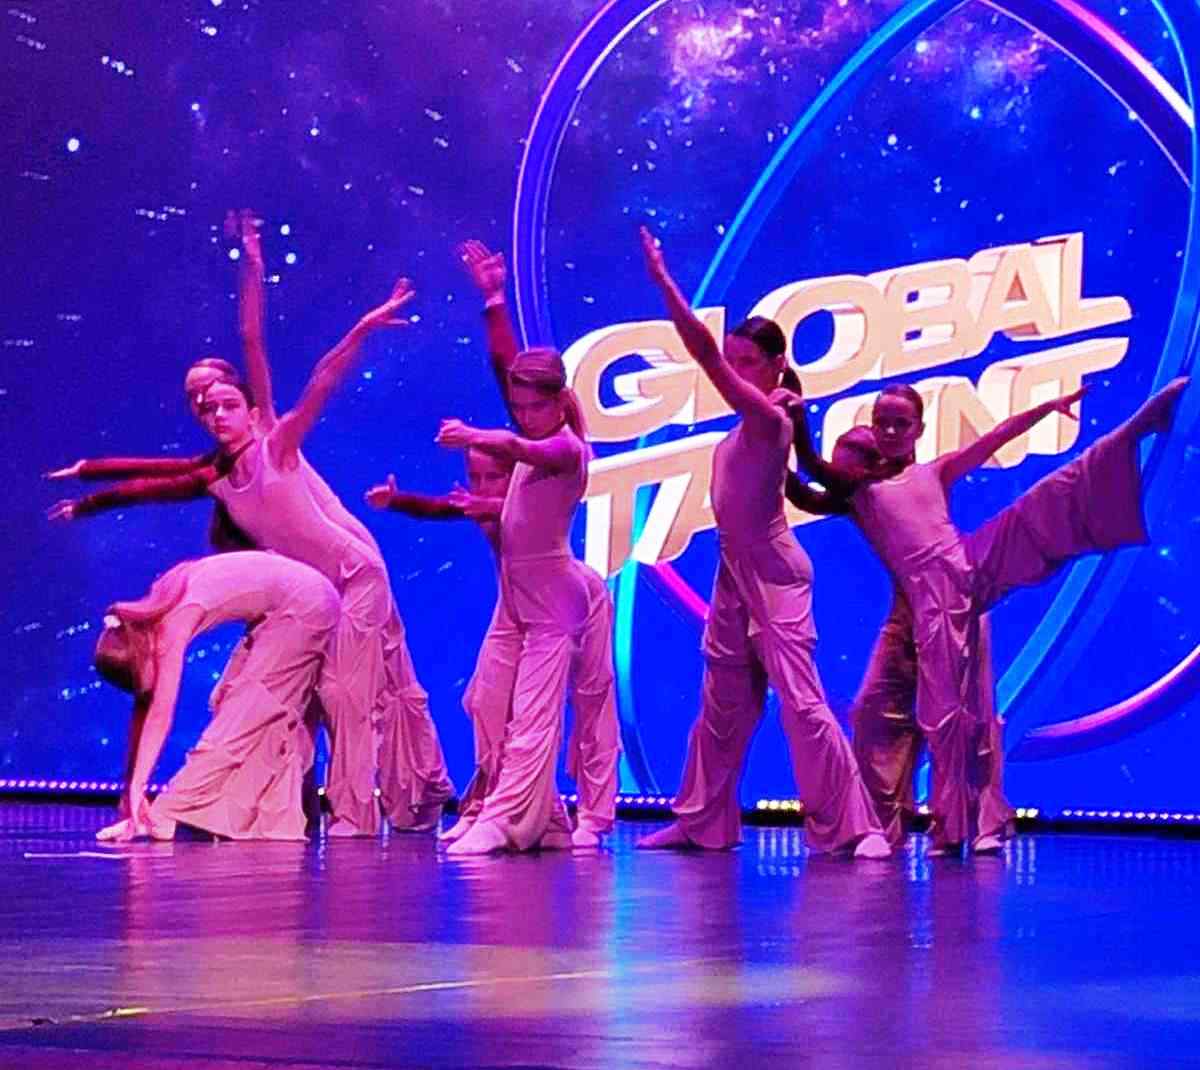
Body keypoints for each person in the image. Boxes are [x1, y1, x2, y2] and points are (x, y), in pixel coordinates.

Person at [52, 277, 455, 836]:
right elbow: (151, 481)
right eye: (206, 408)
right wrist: (88, 490)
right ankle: (292, 807)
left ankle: (354, 814)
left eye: (226, 404)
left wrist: (357, 325)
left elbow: (286, 361)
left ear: (250, 409)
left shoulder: (277, 448)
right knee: (301, 695)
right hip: (310, 593)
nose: (216, 414)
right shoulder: (216, 479)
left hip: (356, 577)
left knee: (346, 692)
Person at [790, 375, 1189, 853]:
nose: (890, 432)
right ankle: (926, 827)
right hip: (931, 601)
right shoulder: (860, 493)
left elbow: (996, 438)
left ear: (918, 429)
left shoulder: (934, 471)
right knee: (935, 714)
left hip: (971, 565)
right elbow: (809, 477)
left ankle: (1137, 426)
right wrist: (781, 424)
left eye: (901, 423)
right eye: (882, 423)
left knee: (1051, 495)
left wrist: (1047, 407)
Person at [634, 227, 890, 858]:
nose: (736, 372)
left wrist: (664, 283)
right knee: (721, 708)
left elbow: (706, 358)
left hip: (774, 572)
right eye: (736, 361)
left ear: (776, 366)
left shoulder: (771, 419)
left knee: (801, 703)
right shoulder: (747, 428)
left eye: (748, 363)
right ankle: (702, 821)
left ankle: (855, 827)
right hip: (733, 572)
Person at [434, 339, 619, 855]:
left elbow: (523, 448)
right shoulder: (529, 446)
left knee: (552, 711)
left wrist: (472, 433)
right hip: (519, 599)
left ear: (559, 402)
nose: (525, 417)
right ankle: (545, 818)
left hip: (557, 598)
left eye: (536, 407)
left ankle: (520, 819)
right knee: (488, 700)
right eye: (518, 408)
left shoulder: (565, 448)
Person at [93, 552, 338, 842]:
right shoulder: (158, 603)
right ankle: (256, 814)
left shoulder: (170, 626)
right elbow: (146, 712)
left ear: (142, 654)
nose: (154, 685)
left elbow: (160, 714)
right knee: (240, 706)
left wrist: (138, 791)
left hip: (306, 604)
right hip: (299, 601)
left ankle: (166, 814)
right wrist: (132, 786)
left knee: (242, 717)